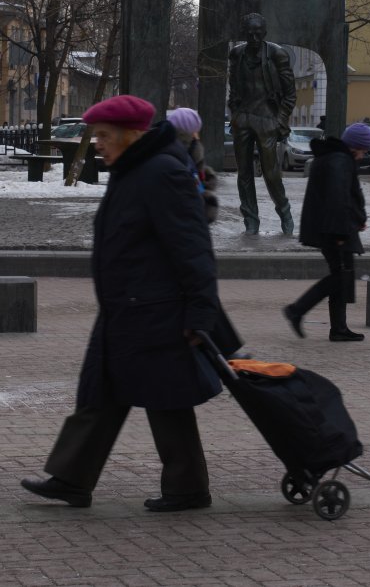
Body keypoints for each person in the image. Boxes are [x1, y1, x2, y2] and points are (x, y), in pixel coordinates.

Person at [21, 95, 222, 512]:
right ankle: (72, 479)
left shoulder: (161, 172)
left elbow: (193, 248)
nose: (96, 142)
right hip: (126, 309)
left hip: (155, 310)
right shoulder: (133, 168)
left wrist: (201, 311)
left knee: (166, 401)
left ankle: (187, 490)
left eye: (103, 135)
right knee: (100, 395)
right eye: (95, 134)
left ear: (131, 135)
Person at [283, 122, 370, 342]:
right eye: (363, 150)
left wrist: (357, 219)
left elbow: (345, 196)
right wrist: (341, 233)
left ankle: (339, 329)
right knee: (340, 277)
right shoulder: (339, 161)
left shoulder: (334, 157)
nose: (363, 155)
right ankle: (297, 310)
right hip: (335, 229)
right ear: (355, 146)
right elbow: (337, 199)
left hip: (333, 226)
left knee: (342, 276)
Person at [167, 106, 246, 357]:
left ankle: (225, 349)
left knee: (199, 296)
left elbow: (198, 180)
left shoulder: (185, 150)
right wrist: (206, 200)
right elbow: (191, 192)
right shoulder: (180, 155)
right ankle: (226, 351)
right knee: (199, 294)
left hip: (183, 237)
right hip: (182, 238)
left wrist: (206, 181)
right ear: (190, 131)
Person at [228, 13, 296, 235]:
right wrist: (234, 112)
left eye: (258, 33)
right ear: (244, 33)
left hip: (267, 119)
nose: (254, 37)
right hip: (243, 119)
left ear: (264, 33)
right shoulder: (236, 54)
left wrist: (280, 120)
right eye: (250, 33)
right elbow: (234, 87)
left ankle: (284, 212)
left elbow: (290, 94)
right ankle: (251, 220)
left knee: (271, 172)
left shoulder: (277, 54)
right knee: (244, 173)